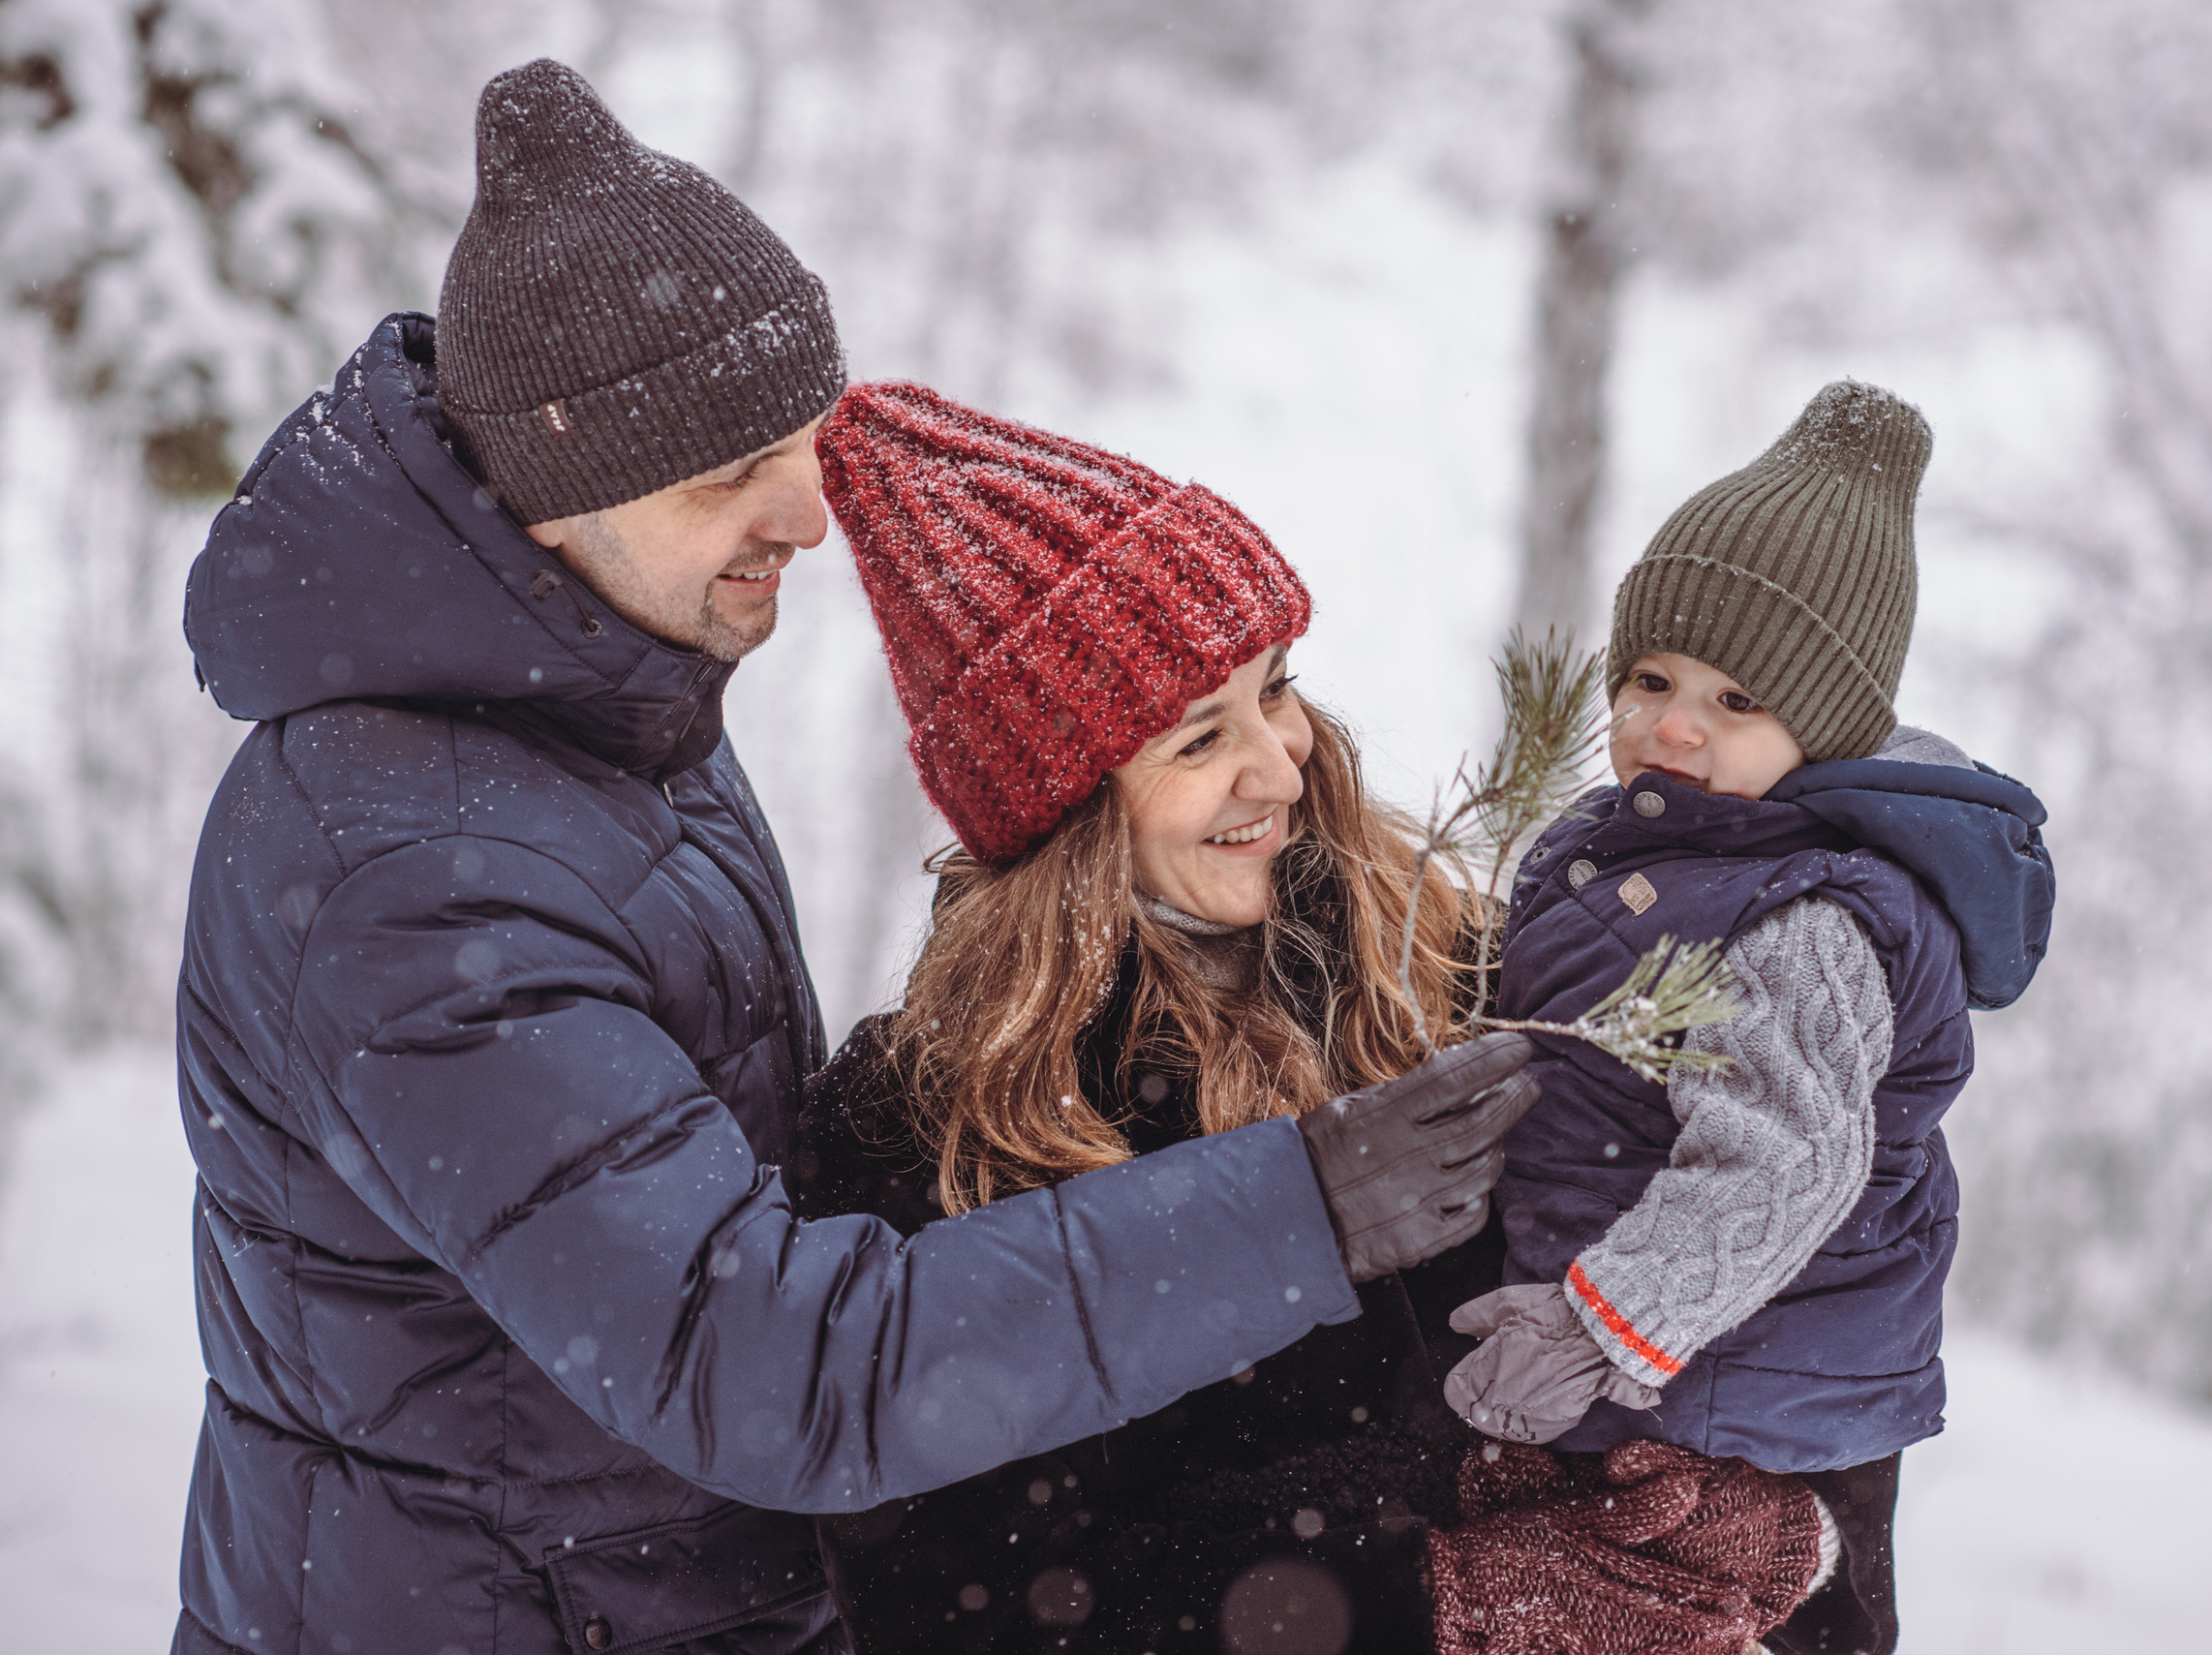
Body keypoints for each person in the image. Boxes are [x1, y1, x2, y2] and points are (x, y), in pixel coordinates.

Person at [171, 61, 1531, 1655]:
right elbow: (762, 1360)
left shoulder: (594, 693)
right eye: (722, 476)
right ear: (550, 500)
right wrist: (1301, 1210)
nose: (809, 516)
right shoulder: (415, 873)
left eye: (796, 442)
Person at [791, 381, 1512, 1653]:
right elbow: (968, 1610)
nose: (1281, 765)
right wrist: (1440, 1596)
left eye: (1276, 690)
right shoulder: (926, 1130)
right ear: (1066, 810)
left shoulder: (1441, 956)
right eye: (1197, 738)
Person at [1435, 383, 2057, 1655]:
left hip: (1734, 1412)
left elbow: (1785, 1163)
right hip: (1660, 1391)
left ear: (1818, 731)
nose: (1672, 722)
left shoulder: (1806, 914)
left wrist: (1594, 1320)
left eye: (1735, 702)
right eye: (1652, 676)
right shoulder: (1631, 854)